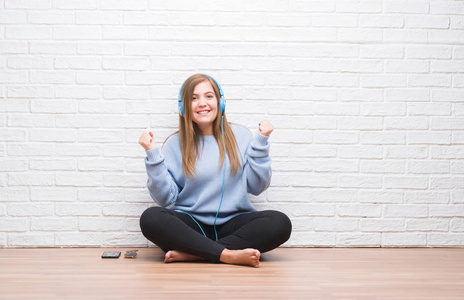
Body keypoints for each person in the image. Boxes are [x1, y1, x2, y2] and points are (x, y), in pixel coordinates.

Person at [138, 74, 291, 267]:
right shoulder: (174, 144)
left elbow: (257, 186)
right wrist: (153, 155)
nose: (202, 103)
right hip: (191, 225)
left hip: (234, 223)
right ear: (183, 107)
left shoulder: (241, 136)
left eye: (209, 96)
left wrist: (260, 144)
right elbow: (165, 199)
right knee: (150, 218)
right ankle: (228, 255)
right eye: (194, 98)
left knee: (280, 222)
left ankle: (198, 253)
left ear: (221, 102)